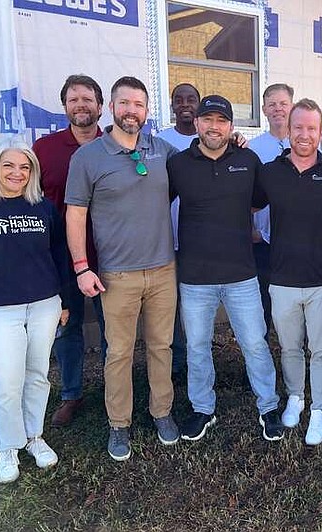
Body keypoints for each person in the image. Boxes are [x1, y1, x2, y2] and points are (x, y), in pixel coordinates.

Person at [65, 76, 179, 461]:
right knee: (119, 352)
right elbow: (76, 214)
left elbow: (202, 166)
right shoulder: (88, 157)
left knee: (162, 346)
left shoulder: (161, 150)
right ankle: (119, 424)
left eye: (139, 105)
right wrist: (82, 267)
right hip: (117, 275)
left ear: (147, 112)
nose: (132, 111)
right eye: (125, 103)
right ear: (111, 107)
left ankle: (162, 411)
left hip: (164, 270)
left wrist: (234, 144)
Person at [168, 95, 284, 443]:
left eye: (222, 120)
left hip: (241, 274)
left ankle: (269, 407)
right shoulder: (179, 164)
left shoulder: (247, 160)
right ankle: (203, 408)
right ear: (198, 124)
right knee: (198, 347)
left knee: (254, 343)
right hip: (195, 276)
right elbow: (157, 201)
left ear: (231, 127)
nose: (214, 126)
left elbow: (259, 201)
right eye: (208, 119)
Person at [0, 139, 70, 483]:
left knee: (37, 373)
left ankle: (34, 436)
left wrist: (64, 302)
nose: (17, 173)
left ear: (32, 172)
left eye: (24, 167)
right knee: (5, 380)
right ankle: (8, 447)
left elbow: (60, 256)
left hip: (44, 305)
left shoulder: (44, 208)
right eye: (9, 166)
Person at [255, 98, 322, 446]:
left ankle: (319, 409)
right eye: (298, 127)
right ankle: (296, 396)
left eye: (311, 128)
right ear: (288, 129)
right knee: (289, 346)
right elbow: (246, 205)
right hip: (281, 277)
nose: (304, 134)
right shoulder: (269, 172)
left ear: (321, 132)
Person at [33, 74, 106, 428]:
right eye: (74, 99)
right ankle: (71, 394)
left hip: (111, 256)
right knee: (69, 326)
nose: (81, 105)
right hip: (62, 259)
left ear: (100, 106)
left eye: (88, 99)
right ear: (64, 107)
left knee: (114, 330)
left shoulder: (118, 145)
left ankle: (114, 393)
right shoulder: (44, 149)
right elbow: (31, 201)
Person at [158, 82, 201, 379]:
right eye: (179, 99)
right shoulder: (160, 142)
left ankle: (199, 361)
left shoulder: (213, 138)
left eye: (191, 99)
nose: (185, 104)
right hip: (164, 240)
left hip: (197, 242)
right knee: (168, 309)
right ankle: (176, 363)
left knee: (196, 308)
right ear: (172, 106)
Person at [249, 83, 294, 333]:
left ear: (292, 107)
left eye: (283, 103)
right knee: (262, 306)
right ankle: (263, 362)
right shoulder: (253, 148)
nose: (278, 109)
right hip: (261, 241)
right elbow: (243, 196)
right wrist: (251, 231)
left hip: (293, 241)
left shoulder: (304, 144)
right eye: (272, 104)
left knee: (295, 308)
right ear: (264, 110)